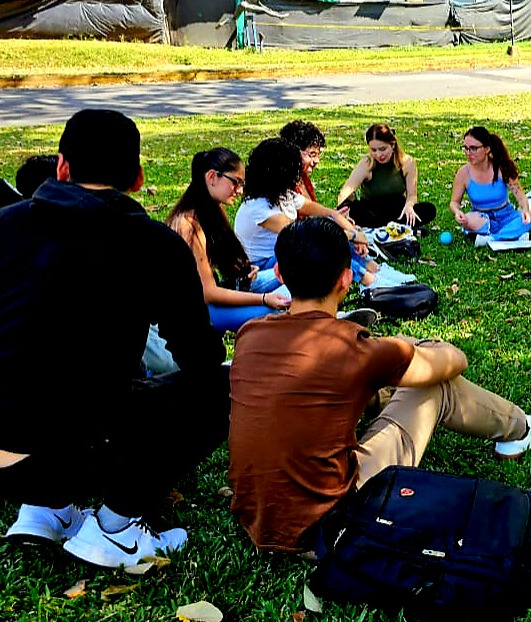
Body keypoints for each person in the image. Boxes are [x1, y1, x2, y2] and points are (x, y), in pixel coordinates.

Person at [228, 217, 531, 553]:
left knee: (370, 391)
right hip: (326, 529)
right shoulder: (350, 347)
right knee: (435, 387)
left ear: (280, 275)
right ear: (347, 279)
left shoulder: (250, 335)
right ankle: (518, 429)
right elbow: (453, 361)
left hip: (256, 522)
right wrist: (418, 344)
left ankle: (515, 428)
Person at [0, 109, 229, 567]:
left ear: (62, 167)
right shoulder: (153, 244)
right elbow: (198, 358)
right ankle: (116, 526)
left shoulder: (3, 223)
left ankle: (47, 510)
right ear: (139, 177)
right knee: (220, 386)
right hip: (82, 440)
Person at [234, 137, 411, 292]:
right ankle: (368, 280)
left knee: (325, 228)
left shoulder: (283, 195)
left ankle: (373, 269)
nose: (297, 176)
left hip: (283, 258)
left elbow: (329, 213)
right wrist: (354, 235)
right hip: (263, 271)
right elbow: (306, 234)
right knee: (318, 244)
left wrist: (351, 231)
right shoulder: (258, 207)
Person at [168, 148, 291, 332]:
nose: (240, 191)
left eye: (242, 183)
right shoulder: (188, 225)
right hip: (200, 313)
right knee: (289, 302)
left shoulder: (213, 211)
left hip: (220, 295)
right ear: (211, 177)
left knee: (300, 276)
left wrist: (244, 270)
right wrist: (264, 298)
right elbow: (208, 293)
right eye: (235, 182)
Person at [337, 122, 437, 230]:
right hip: (370, 210)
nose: (379, 155)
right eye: (374, 150)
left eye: (383, 149)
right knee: (354, 211)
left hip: (397, 209)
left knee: (428, 209)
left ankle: (387, 226)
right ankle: (397, 227)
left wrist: (409, 205)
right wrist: (342, 214)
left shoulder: (407, 163)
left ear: (392, 145)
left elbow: (412, 195)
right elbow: (345, 193)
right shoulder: (367, 164)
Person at [450, 126, 531, 246]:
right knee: (469, 220)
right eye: (466, 148)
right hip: (481, 218)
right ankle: (513, 235)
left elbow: (521, 197)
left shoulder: (502, 168)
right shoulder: (463, 173)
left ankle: (492, 239)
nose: (468, 153)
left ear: (487, 149)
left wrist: (525, 210)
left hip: (506, 215)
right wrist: (457, 212)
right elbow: (454, 202)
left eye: (474, 148)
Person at [280, 119, 326, 203]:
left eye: (318, 155)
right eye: (312, 154)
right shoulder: (283, 186)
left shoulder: (303, 179)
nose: (317, 160)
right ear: (294, 151)